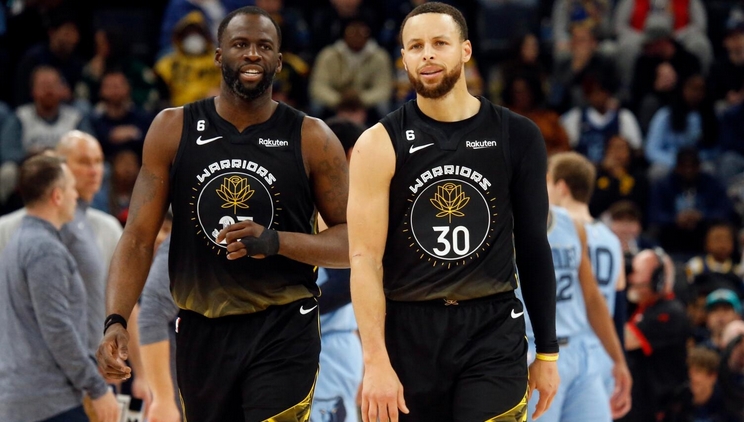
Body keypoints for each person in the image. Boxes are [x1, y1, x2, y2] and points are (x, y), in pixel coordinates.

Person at [96, 6, 350, 422]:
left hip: (284, 327)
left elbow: (352, 241)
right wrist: (115, 319)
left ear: (279, 61)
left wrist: (277, 241)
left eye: (264, 46)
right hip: (202, 330)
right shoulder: (172, 128)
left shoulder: (312, 137)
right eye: (240, 44)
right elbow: (138, 237)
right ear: (218, 55)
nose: (252, 54)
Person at [347, 3, 559, 421]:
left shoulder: (516, 135)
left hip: (492, 329)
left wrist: (547, 353)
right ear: (403, 59)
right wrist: (374, 361)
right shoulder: (378, 142)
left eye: (439, 43)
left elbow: (534, 245)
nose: (426, 54)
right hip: (408, 330)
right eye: (415, 46)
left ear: (465, 51)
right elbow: (364, 259)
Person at [0, 154, 120, 422]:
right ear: (57, 196)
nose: (75, 195)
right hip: (49, 401)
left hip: (23, 397)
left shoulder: (18, 241)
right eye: (70, 188)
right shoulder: (45, 250)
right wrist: (97, 387)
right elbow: (58, 329)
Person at [543, 151, 631, 418]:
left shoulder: (569, 227)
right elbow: (618, 300)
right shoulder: (611, 239)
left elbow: (593, 298)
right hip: (564, 348)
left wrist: (619, 359)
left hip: (582, 345)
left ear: (560, 185)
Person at [311, 117, 365, 422]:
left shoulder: (352, 205)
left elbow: (347, 285)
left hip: (330, 343)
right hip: (303, 341)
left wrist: (288, 308)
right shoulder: (324, 199)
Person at [620, 248, 692, 422]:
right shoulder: (641, 307)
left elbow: (624, 340)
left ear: (658, 281)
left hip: (658, 406)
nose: (630, 281)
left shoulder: (670, 313)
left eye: (636, 277)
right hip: (639, 402)